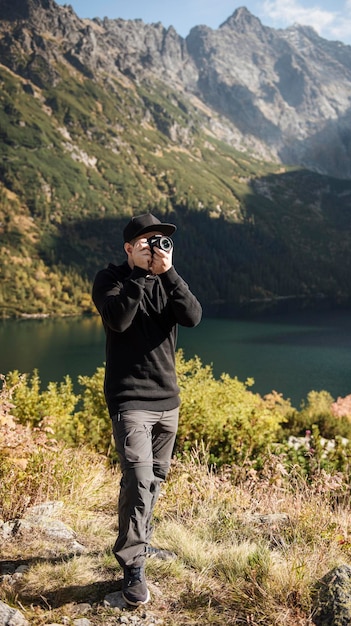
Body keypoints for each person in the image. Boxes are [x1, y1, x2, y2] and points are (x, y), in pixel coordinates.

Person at [92, 212, 202, 607]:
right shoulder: (111, 280)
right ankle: (133, 566)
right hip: (129, 400)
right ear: (128, 247)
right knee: (139, 482)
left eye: (160, 241)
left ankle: (138, 544)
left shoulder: (167, 283)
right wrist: (139, 275)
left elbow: (192, 316)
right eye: (146, 241)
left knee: (150, 481)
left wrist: (169, 273)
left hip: (167, 401)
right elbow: (118, 320)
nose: (154, 247)